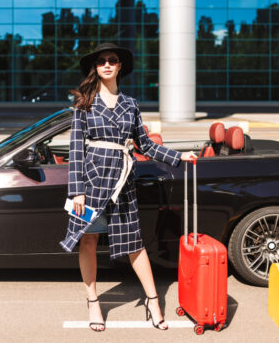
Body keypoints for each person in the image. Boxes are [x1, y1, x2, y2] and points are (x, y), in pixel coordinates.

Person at [59, 43, 196, 332]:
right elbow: (75, 150)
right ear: (95, 68)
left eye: (113, 60)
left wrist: (178, 156)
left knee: (134, 244)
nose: (107, 64)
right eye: (101, 61)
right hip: (92, 181)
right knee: (88, 240)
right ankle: (93, 302)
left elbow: (143, 144)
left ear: (120, 66)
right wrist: (77, 190)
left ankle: (153, 301)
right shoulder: (84, 103)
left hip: (123, 183)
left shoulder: (130, 104)